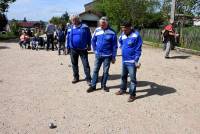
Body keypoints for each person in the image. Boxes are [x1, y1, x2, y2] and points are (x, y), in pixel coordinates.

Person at [87, 17, 118, 93]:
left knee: (105, 71)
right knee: (95, 70)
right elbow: (93, 40)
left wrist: (113, 57)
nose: (101, 26)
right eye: (100, 24)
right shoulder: (97, 30)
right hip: (98, 55)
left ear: (107, 24)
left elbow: (114, 46)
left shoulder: (112, 32)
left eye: (103, 24)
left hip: (107, 56)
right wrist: (95, 50)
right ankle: (93, 86)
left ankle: (103, 85)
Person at [115, 21, 143, 102]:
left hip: (132, 61)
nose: (123, 30)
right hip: (124, 60)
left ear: (130, 27)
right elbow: (119, 42)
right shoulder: (122, 35)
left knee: (132, 79)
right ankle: (122, 89)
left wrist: (136, 60)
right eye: (122, 28)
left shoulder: (136, 36)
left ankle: (132, 95)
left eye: (125, 28)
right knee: (123, 76)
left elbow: (138, 49)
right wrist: (122, 48)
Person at [66, 15, 92, 84]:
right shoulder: (70, 28)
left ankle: (88, 78)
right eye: (72, 20)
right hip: (73, 49)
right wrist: (67, 47)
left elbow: (89, 36)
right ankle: (76, 77)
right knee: (74, 64)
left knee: (85, 64)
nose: (74, 21)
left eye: (75, 19)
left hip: (83, 49)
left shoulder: (85, 27)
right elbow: (67, 38)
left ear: (78, 19)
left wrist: (89, 45)